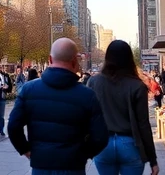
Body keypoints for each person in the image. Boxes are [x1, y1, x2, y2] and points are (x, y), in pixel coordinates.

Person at [9, 39, 109, 175]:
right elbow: (100, 136)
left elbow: (13, 126)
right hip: (73, 167)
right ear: (75, 61)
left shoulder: (29, 90)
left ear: (50, 59)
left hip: (41, 165)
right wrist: (83, 154)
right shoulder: (87, 95)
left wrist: (25, 149)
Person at [87, 40, 158, 175]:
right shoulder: (137, 86)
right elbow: (143, 124)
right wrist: (152, 159)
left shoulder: (94, 82)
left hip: (103, 144)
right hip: (130, 143)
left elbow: (87, 117)